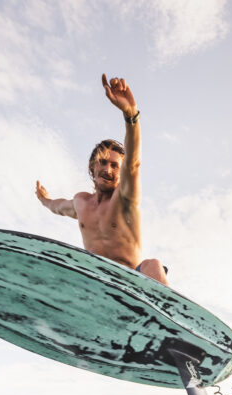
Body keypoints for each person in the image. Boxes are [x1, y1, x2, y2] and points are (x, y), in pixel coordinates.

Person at [35, 74, 168, 286]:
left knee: (153, 265)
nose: (108, 170)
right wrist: (44, 199)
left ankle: (168, 313)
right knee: (67, 266)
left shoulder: (124, 197)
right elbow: (57, 207)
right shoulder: (81, 202)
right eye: (103, 163)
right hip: (97, 285)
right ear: (92, 167)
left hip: (134, 283)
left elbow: (133, 164)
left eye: (115, 166)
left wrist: (130, 114)